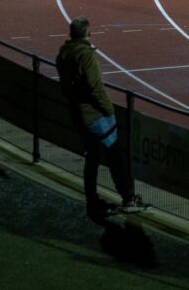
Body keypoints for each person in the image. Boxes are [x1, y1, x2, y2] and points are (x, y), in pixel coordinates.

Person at [55, 16, 146, 222]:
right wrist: (108, 110)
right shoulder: (85, 56)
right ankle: (128, 198)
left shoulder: (63, 55)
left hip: (79, 113)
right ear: (88, 34)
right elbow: (95, 87)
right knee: (114, 157)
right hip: (96, 115)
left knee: (92, 159)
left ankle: (93, 200)